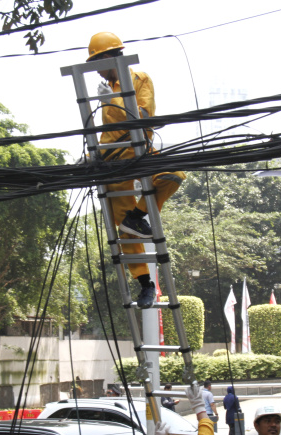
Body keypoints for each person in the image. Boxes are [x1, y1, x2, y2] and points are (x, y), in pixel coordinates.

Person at [86, 31, 186, 309]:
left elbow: (142, 116)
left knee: (173, 175)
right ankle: (146, 285)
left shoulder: (140, 79)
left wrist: (113, 101)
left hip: (141, 150)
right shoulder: (105, 87)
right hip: (112, 159)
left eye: (97, 62)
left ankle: (139, 214)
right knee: (125, 230)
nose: (97, 70)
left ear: (108, 56)